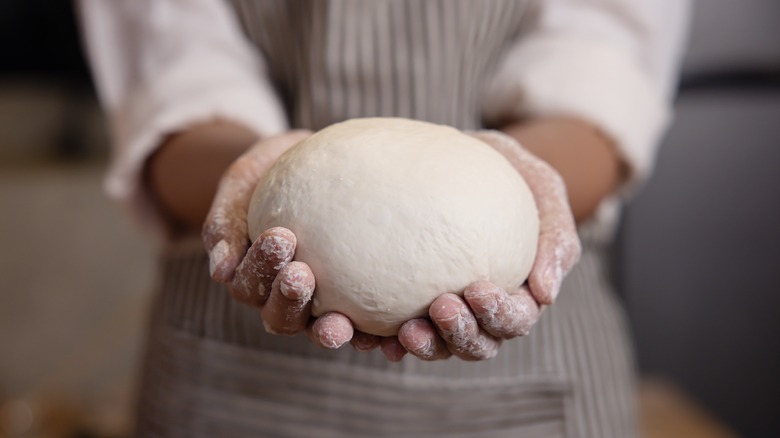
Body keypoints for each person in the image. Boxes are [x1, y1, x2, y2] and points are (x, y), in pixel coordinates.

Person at [79, 0, 690, 436]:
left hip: (536, 385)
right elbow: (170, 70)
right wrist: (241, 184)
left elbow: (603, 60)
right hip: (227, 384)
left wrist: (529, 179)